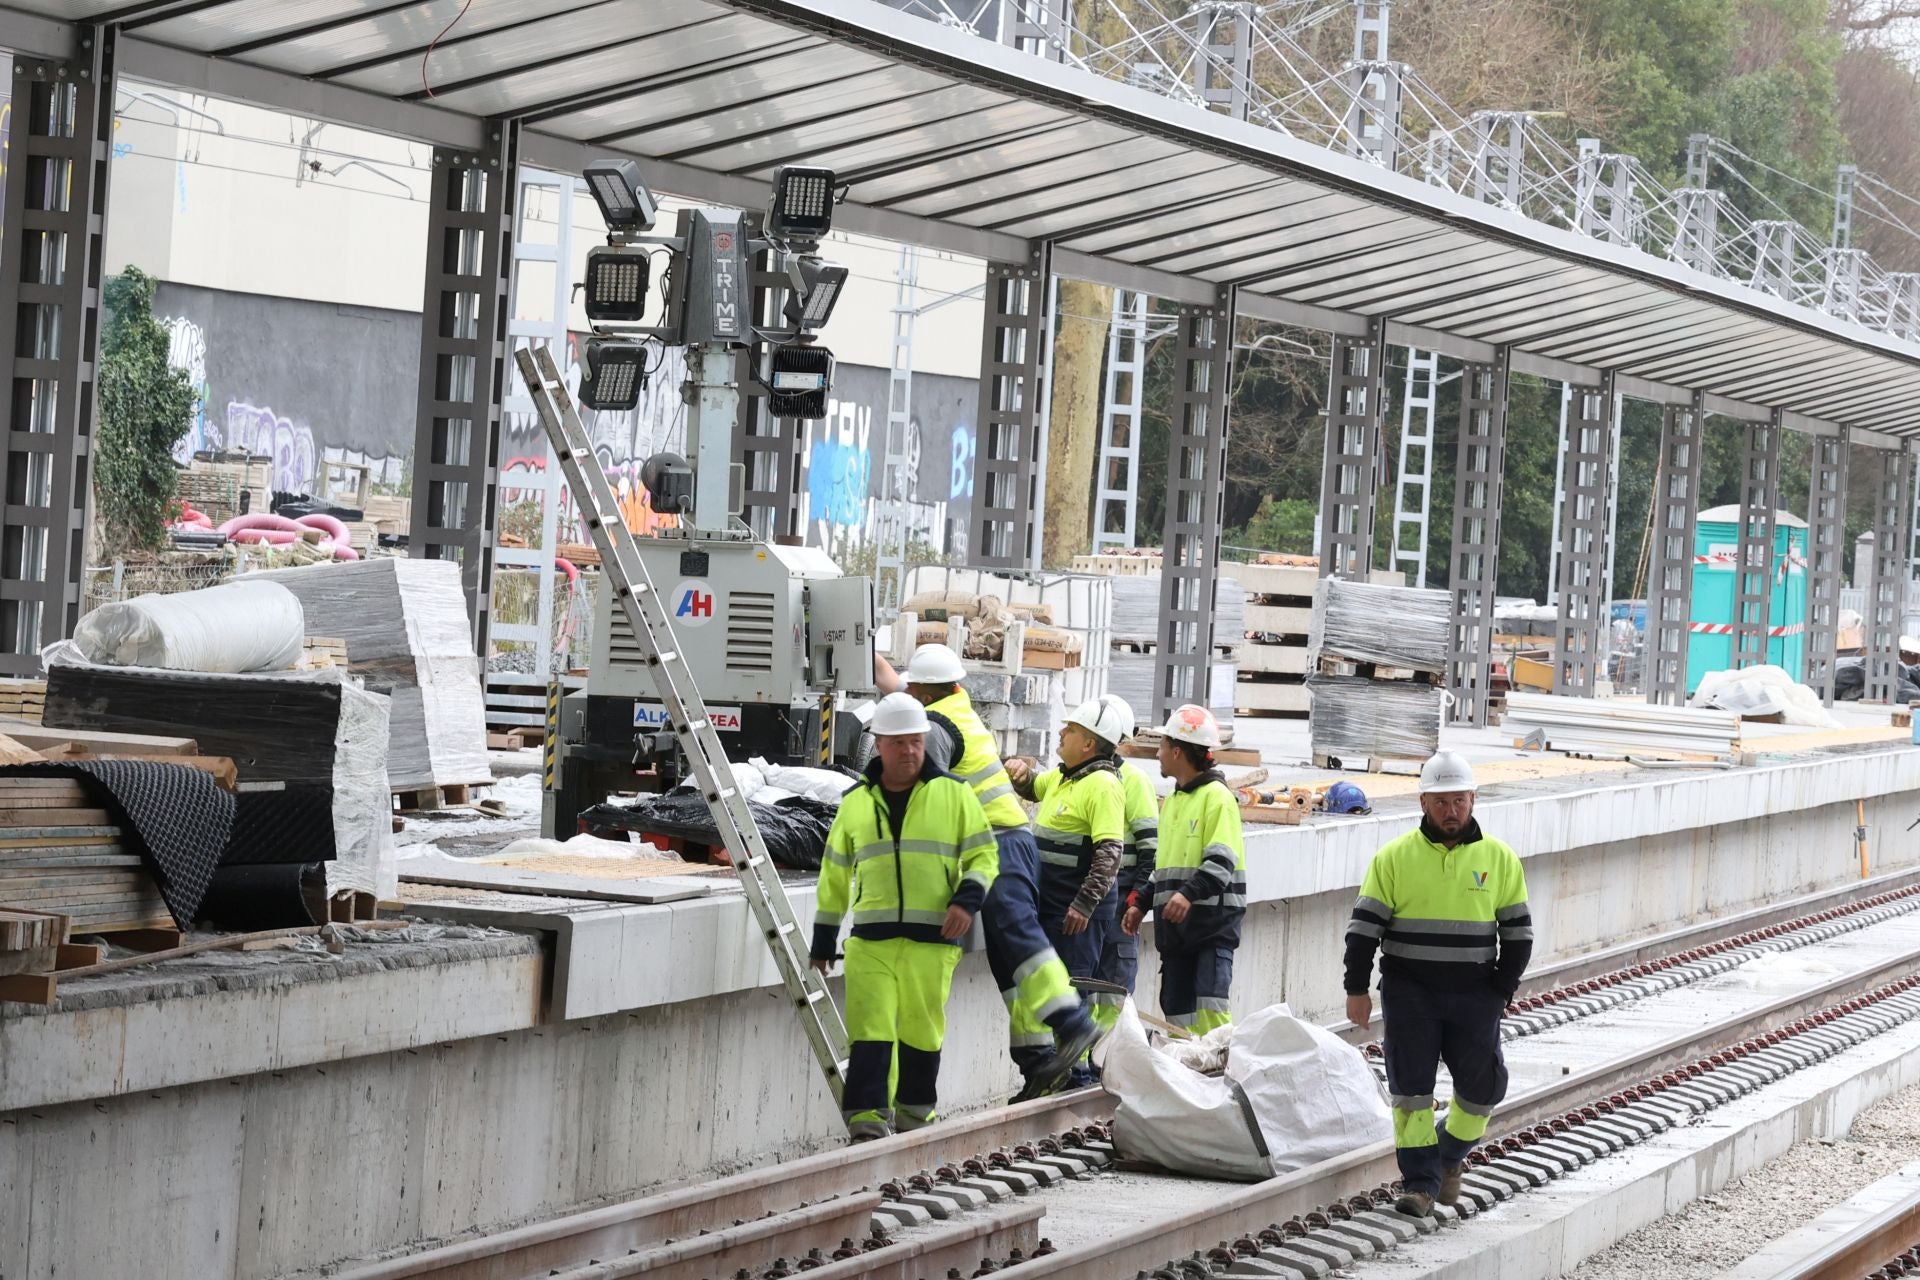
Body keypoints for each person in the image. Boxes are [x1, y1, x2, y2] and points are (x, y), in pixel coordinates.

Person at [877, 644, 1102, 1098]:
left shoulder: (939, 726)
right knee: (1009, 963)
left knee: (1020, 938)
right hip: (1004, 842)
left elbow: (916, 785)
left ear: (922, 692)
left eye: (912, 689)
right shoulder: (954, 705)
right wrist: (871, 654)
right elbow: (895, 685)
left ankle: (1072, 1022)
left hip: (999, 844)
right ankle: (1040, 1063)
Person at [1342, 750, 1532, 1218]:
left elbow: (1519, 934)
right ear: (1424, 802)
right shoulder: (1394, 859)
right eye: (1442, 802)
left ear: (1473, 800)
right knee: (1411, 1092)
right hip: (1411, 994)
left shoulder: (1499, 859)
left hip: (1475, 995)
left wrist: (1502, 988)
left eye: (1460, 801)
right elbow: (1363, 931)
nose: (1452, 811)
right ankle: (1421, 1185)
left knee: (1483, 1090)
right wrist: (1356, 988)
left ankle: (1448, 1158)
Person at [810, 692, 998, 1142]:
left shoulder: (954, 795)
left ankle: (915, 1120)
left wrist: (966, 900)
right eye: (899, 743)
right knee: (870, 1031)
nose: (910, 751)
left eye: (917, 741)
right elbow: (833, 876)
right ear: (879, 745)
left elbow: (983, 856)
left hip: (932, 941)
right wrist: (822, 942)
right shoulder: (856, 803)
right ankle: (866, 1123)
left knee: (921, 1032)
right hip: (871, 940)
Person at [1005, 697, 1127, 1065]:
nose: (1061, 732)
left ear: (1089, 744)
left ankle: (1075, 1075)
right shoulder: (1064, 776)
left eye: (1070, 729)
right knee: (1053, 990)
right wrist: (1020, 775)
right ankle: (1055, 1073)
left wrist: (1084, 904)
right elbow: (1033, 789)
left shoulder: (1103, 785)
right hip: (1053, 904)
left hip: (1075, 912)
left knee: (1072, 991)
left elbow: (1110, 852)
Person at [1122, 703, 1244, 1036]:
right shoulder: (1175, 801)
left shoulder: (1217, 798)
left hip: (1209, 929)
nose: (1158, 754)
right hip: (1177, 933)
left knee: (1211, 1013)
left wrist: (1187, 895)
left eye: (1162, 747)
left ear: (1177, 751)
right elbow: (1163, 866)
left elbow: (1221, 862)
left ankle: (1219, 1078)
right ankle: (1191, 1077)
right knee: (1178, 1016)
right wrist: (1141, 902)